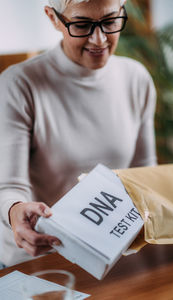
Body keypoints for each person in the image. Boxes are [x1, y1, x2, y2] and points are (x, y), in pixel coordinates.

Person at [0, 0, 157, 268]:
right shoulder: (19, 84)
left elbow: (144, 172)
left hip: (112, 254)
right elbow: (8, 187)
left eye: (110, 22)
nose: (99, 39)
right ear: (52, 18)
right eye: (82, 25)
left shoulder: (136, 78)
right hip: (37, 258)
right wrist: (14, 210)